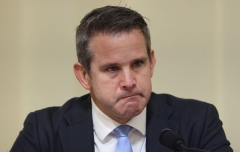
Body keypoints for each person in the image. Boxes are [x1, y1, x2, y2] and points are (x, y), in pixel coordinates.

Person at [11, 6, 233, 152]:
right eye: (112, 68)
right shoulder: (44, 131)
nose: (129, 81)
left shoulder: (197, 122)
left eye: (137, 64)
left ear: (152, 62)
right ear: (84, 75)